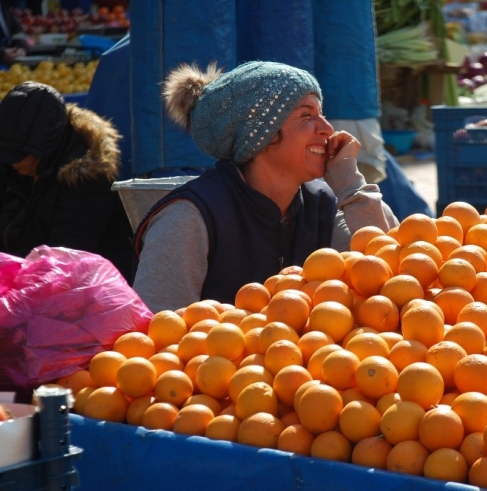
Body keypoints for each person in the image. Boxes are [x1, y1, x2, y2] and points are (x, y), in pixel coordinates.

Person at [133, 61, 399, 313]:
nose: (327, 128)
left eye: (322, 114)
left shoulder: (324, 204)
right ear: (261, 133)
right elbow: (156, 330)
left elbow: (395, 279)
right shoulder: (190, 217)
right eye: (307, 115)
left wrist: (350, 184)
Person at [0, 81, 133, 319]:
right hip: (11, 279)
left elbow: (62, 259)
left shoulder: (87, 180)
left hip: (75, 298)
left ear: (46, 148)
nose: (12, 162)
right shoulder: (9, 166)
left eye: (19, 156)